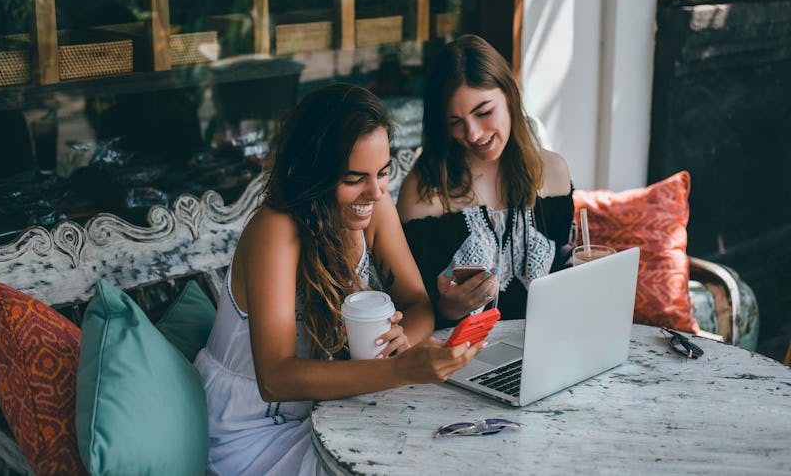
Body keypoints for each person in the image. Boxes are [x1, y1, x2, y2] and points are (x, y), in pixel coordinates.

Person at [194, 83, 483, 475]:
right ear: (314, 173)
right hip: (249, 431)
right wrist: (400, 371)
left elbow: (417, 305)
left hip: (325, 411)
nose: (376, 191)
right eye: (354, 178)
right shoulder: (276, 231)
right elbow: (276, 379)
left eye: (382, 173)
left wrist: (404, 343)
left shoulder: (372, 210)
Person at [397, 34, 576, 330]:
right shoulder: (422, 192)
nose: (474, 134)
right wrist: (447, 308)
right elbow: (407, 309)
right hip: (456, 360)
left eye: (484, 112)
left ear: (510, 96)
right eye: (455, 122)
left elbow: (563, 276)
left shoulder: (553, 171)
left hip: (542, 347)